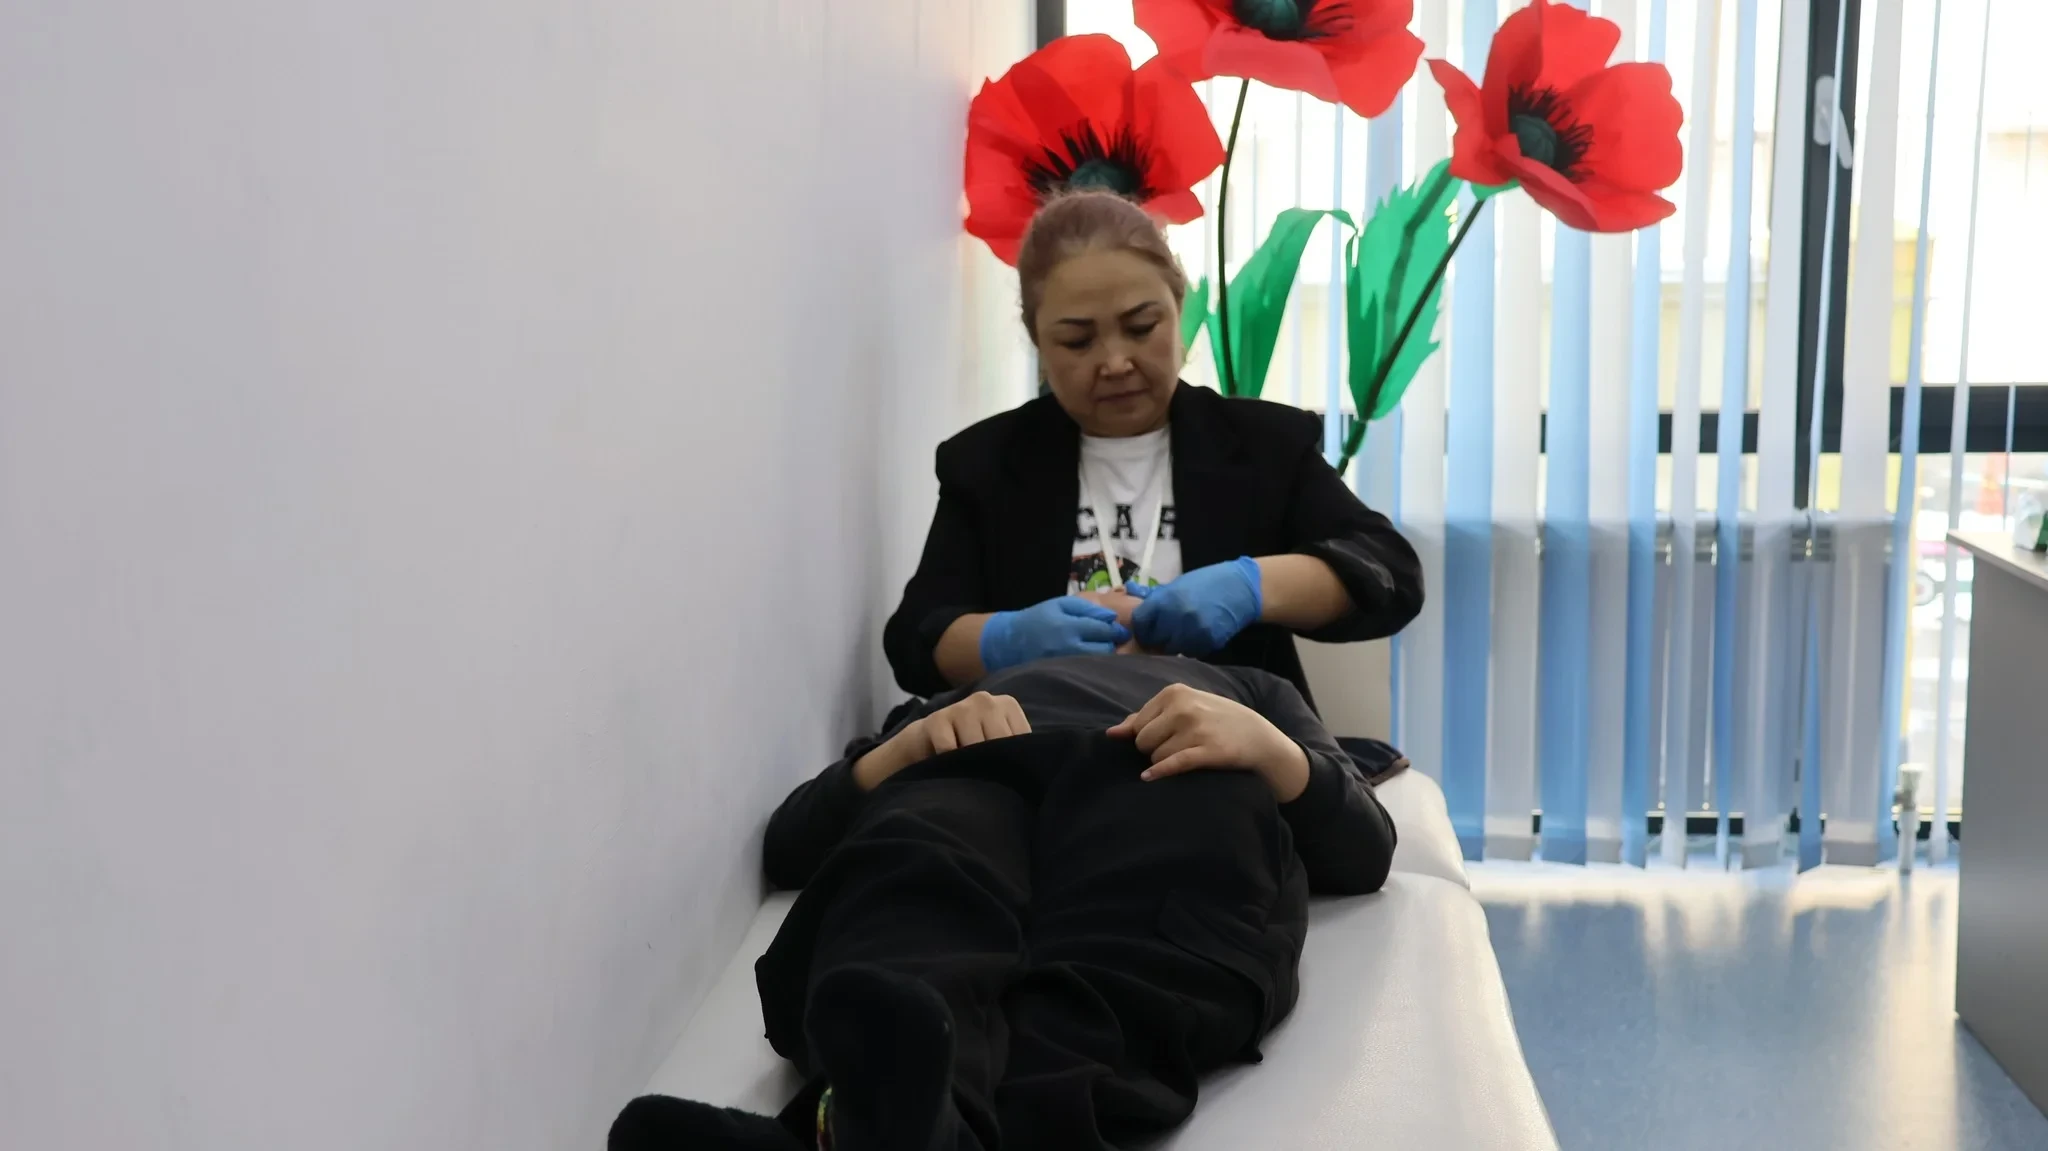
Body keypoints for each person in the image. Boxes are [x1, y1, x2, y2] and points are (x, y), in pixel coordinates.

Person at [610, 648, 1397, 1151]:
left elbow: (1364, 845)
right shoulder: (956, 696)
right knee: (915, 861)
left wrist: (1270, 749)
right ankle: (881, 1119)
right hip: (978, 769)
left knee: (1155, 894)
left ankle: (865, 1134)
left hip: (1161, 776)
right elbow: (793, 841)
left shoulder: (1249, 684)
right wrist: (907, 748)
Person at [883, 189, 1424, 709]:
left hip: (1231, 743)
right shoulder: (988, 463)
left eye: (1141, 327)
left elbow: (1390, 574)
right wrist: (1002, 639)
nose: (1116, 362)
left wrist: (1253, 586)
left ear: (1178, 307)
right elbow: (914, 642)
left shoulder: (1262, 446)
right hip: (1049, 745)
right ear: (1038, 343)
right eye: (1077, 341)